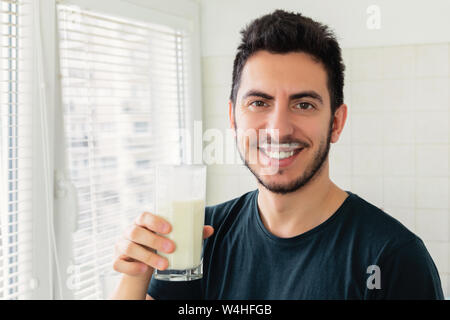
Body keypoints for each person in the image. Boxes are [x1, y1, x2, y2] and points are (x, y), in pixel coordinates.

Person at [110, 9, 444, 300]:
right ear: (232, 119)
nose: (278, 129)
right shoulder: (202, 234)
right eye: (259, 102)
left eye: (303, 104)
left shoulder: (393, 257)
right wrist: (136, 274)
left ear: (336, 123)